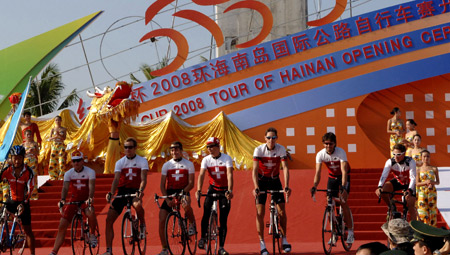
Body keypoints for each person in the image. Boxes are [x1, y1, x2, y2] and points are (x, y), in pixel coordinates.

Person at [101, 137, 148, 255]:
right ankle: (108, 250)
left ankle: (142, 224)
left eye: (130, 147)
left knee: (137, 205)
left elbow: (143, 179)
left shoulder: (142, 161)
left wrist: (140, 190)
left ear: (135, 148)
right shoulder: (120, 162)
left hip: (135, 190)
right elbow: (116, 179)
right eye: (126, 147)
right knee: (109, 220)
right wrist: (111, 193)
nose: (128, 149)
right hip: (122, 191)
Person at [49, 150, 97, 255]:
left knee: (90, 212)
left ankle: (92, 234)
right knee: (62, 224)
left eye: (78, 161)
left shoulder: (90, 172)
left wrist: (90, 198)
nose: (76, 163)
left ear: (82, 161)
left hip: (85, 199)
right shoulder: (68, 173)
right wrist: (62, 199)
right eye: (74, 161)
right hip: (74, 199)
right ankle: (54, 251)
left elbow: (91, 187)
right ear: (71, 162)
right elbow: (65, 188)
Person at [252, 127, 292, 255]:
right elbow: (254, 170)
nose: (271, 140)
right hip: (262, 181)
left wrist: (286, 185)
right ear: (265, 138)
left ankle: (284, 240)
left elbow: (285, 168)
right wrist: (256, 187)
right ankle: (262, 243)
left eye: (273, 138)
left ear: (276, 138)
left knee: (281, 210)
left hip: (275, 180)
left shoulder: (281, 149)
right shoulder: (259, 150)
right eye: (268, 137)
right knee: (260, 211)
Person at [311, 132, 354, 244]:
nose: (328, 146)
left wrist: (344, 187)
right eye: (326, 144)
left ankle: (350, 232)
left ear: (335, 144)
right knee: (329, 204)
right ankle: (334, 234)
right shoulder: (320, 154)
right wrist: (314, 186)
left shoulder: (341, 152)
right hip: (332, 178)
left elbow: (344, 172)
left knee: (343, 201)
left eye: (330, 144)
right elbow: (318, 173)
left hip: (343, 177)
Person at [196, 137, 233, 255]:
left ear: (218, 147)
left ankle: (221, 247)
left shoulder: (227, 158)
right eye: (208, 147)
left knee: (223, 219)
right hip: (212, 188)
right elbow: (201, 175)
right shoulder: (206, 159)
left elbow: (229, 174)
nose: (210, 149)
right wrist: (198, 190)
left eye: (212, 146)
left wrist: (230, 190)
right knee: (206, 212)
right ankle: (202, 238)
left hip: (224, 189)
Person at [157, 141, 196, 255]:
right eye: (172, 150)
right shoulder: (166, 165)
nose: (174, 152)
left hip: (184, 190)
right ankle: (164, 248)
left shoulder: (189, 164)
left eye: (177, 149)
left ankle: (191, 224)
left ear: (181, 150)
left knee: (186, 204)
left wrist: (183, 192)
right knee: (162, 219)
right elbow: (162, 185)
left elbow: (191, 183)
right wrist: (167, 200)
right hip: (170, 193)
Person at [0, 145, 36, 255]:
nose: (17, 161)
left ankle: (33, 254)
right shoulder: (7, 170)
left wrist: (24, 203)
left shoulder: (28, 172)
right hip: (11, 200)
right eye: (14, 158)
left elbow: (30, 189)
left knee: (28, 230)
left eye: (19, 158)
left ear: (23, 158)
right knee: (1, 215)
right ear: (11, 158)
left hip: (23, 201)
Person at [376, 143, 417, 221]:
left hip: (408, 183)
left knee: (410, 204)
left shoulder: (411, 161)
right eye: (394, 154)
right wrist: (379, 186)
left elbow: (413, 177)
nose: (395, 156)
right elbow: (384, 175)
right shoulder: (390, 161)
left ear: (404, 153)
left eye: (398, 154)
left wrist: (410, 190)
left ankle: (413, 227)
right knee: (384, 190)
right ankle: (392, 207)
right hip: (398, 181)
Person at [416, 150, 440, 226]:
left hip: (432, 192)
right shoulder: (418, 169)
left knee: (432, 212)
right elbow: (417, 183)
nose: (426, 158)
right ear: (421, 158)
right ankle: (422, 231)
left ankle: (432, 232)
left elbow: (438, 182)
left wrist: (432, 182)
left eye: (427, 156)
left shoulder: (434, 168)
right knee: (422, 212)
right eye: (424, 156)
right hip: (422, 192)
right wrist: (426, 182)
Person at [48, 115, 67, 180]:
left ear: (61, 120)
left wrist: (59, 135)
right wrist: (55, 137)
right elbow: (50, 138)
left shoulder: (63, 129)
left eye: (58, 120)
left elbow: (64, 138)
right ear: (54, 121)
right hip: (54, 146)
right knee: (53, 161)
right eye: (56, 120)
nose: (57, 121)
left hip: (61, 146)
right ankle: (53, 176)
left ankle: (62, 176)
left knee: (61, 161)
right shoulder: (53, 129)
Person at [23, 129, 40, 199]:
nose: (29, 136)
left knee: (34, 177)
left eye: (30, 134)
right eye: (27, 135)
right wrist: (27, 152)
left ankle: (34, 194)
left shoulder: (35, 143)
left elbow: (38, 153)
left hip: (33, 160)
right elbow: (21, 155)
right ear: (25, 136)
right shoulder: (23, 145)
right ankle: (26, 194)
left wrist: (34, 150)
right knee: (26, 177)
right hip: (26, 161)